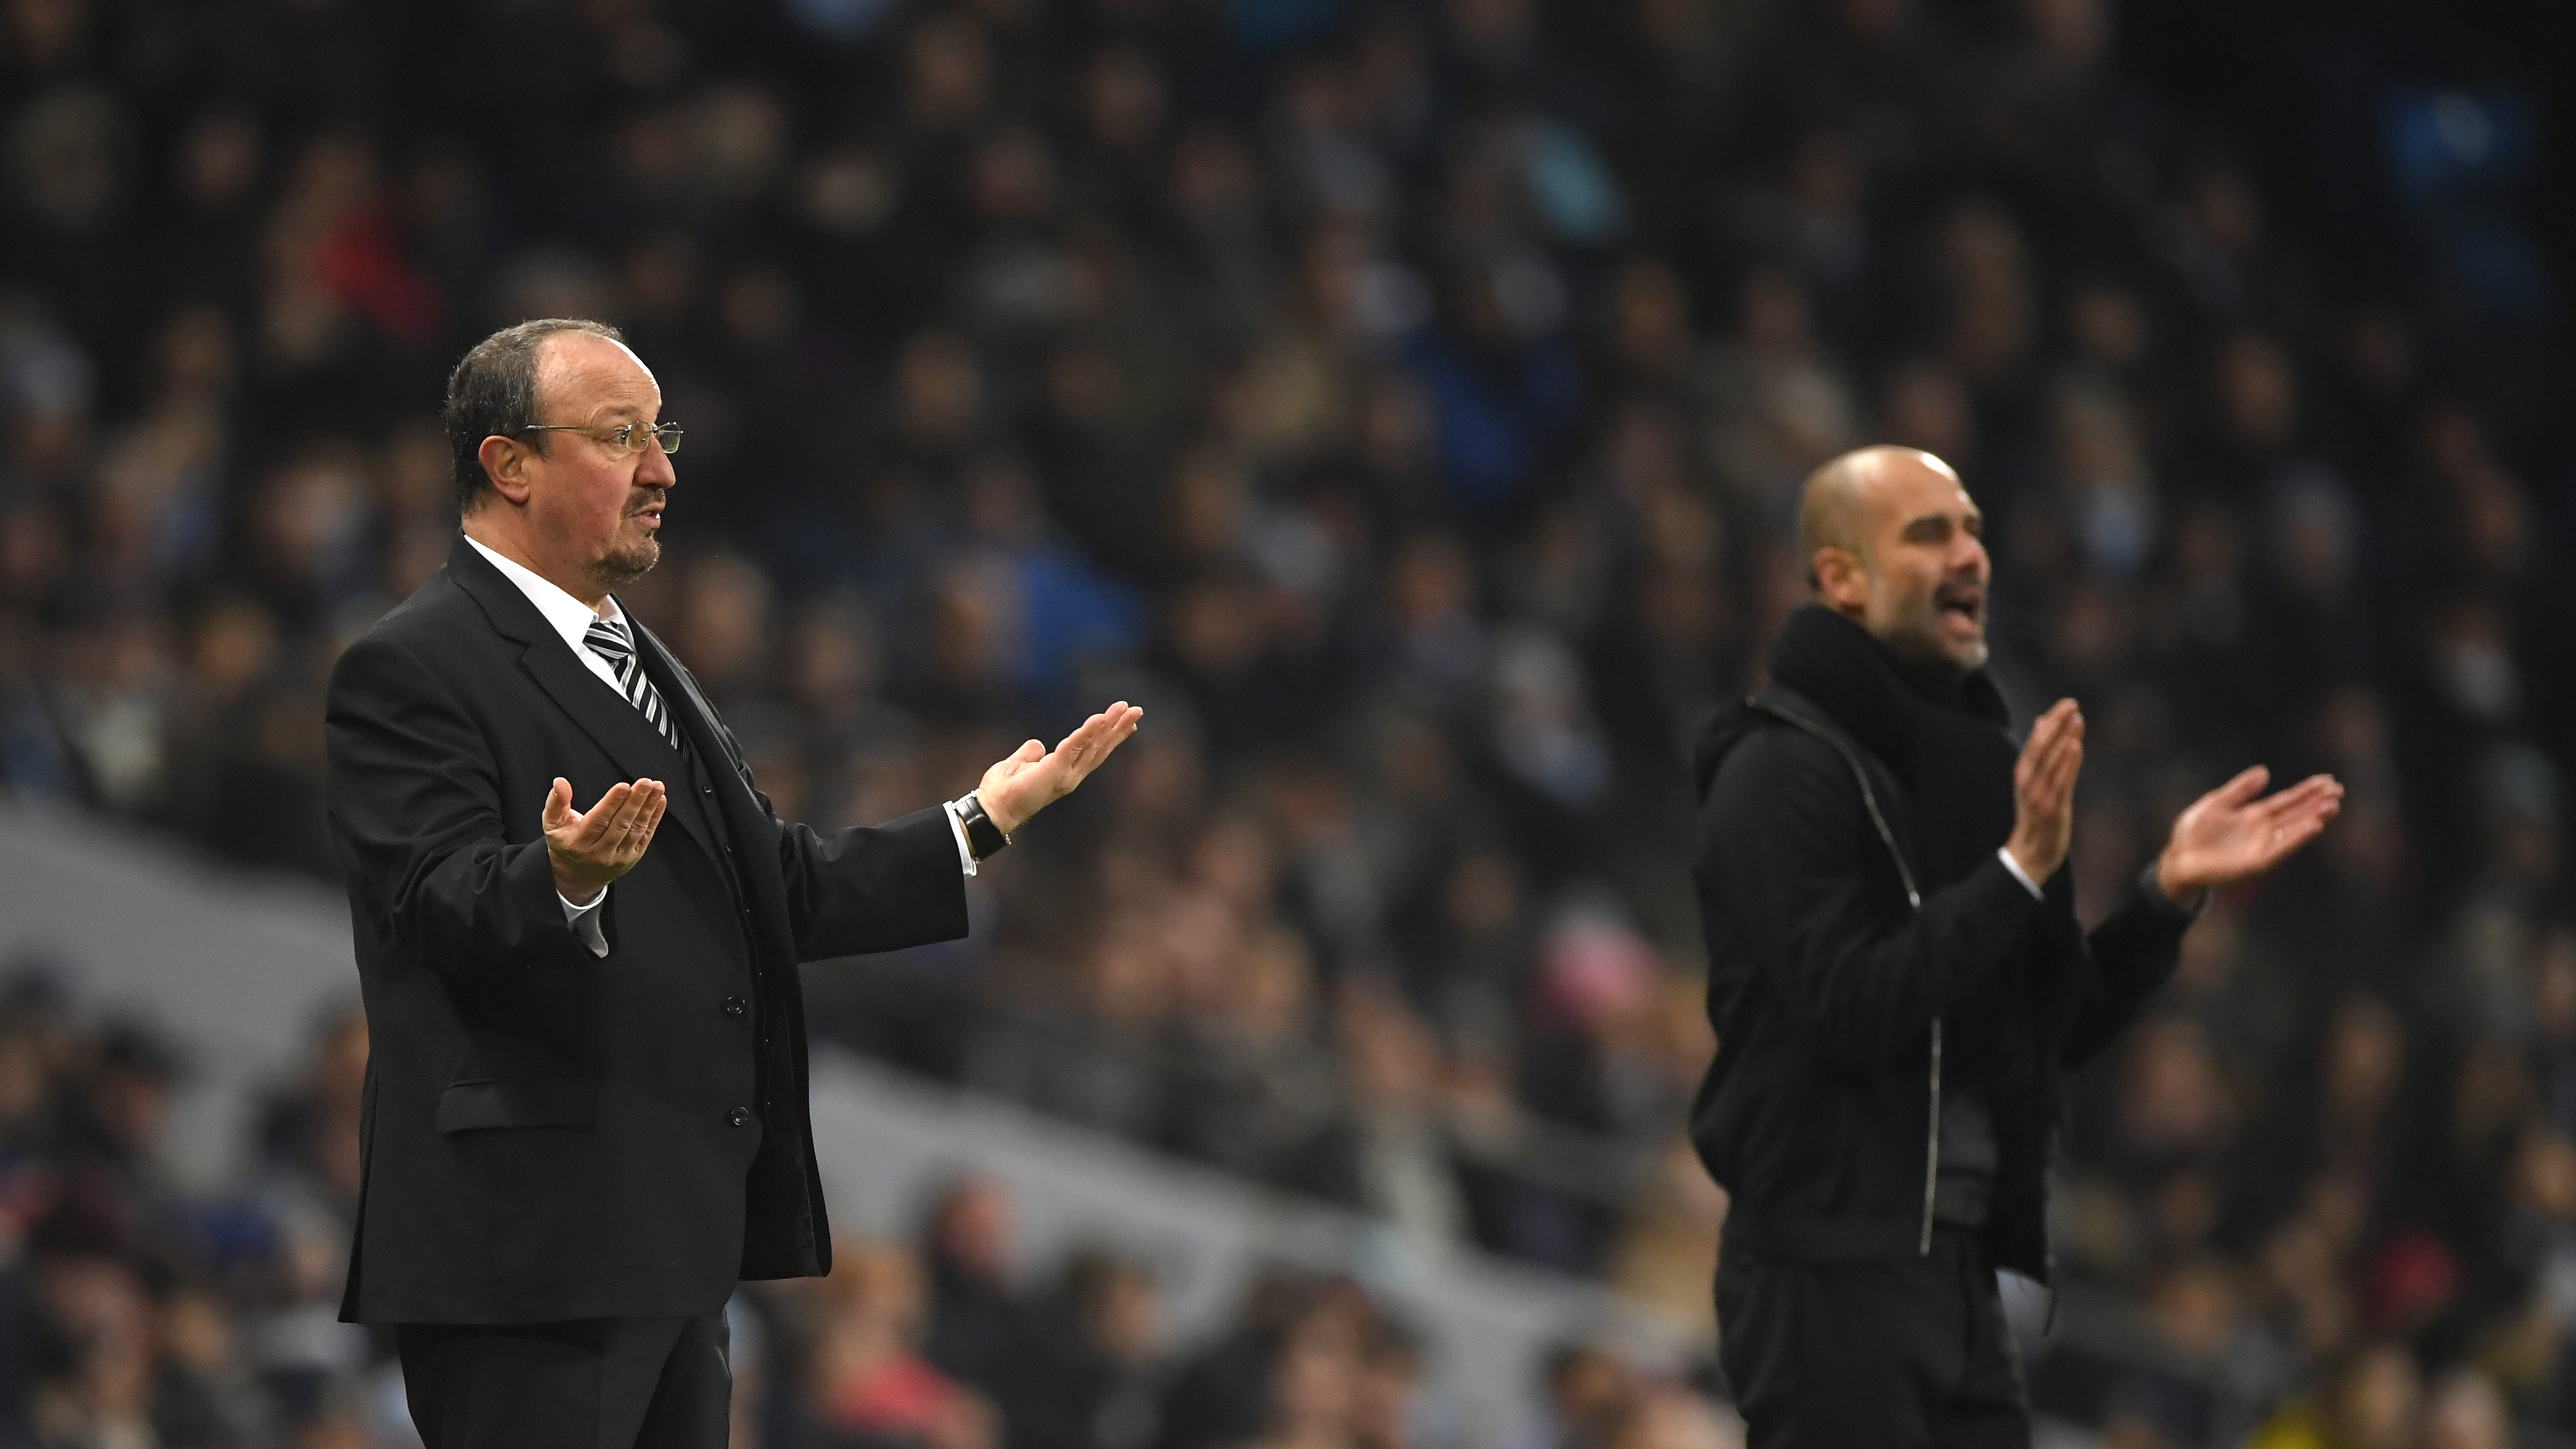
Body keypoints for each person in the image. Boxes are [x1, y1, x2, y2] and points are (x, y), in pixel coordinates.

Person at [323, 318, 1142, 1449]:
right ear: (509, 464)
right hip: (533, 1256)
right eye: (620, 438)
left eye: (660, 434)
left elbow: (774, 887)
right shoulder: (413, 663)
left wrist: (979, 823)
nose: (662, 470)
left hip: (669, 1242)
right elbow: (427, 899)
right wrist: (555, 879)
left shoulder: (643, 659)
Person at [1688, 446, 2342, 1448]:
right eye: (1929, 534)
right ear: (1840, 578)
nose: (1971, 556)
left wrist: (2165, 897)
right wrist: (2014, 873)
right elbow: (1855, 1007)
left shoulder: (1979, 774)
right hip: (1825, 1266)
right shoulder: (1779, 771)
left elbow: (2053, 1025)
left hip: (1957, 1270)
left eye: (1975, 530)